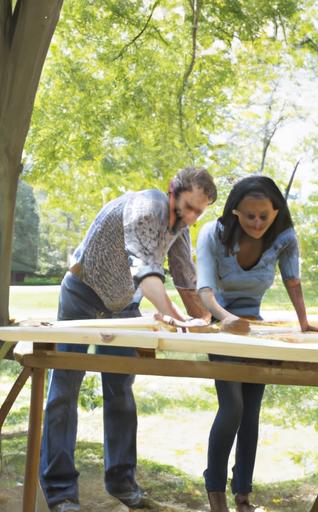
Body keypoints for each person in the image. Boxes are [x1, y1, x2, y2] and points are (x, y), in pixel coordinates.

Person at [40, 167, 217, 512]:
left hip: (124, 305)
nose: (190, 217)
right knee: (64, 389)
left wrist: (207, 320)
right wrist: (177, 319)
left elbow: (184, 277)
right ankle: (60, 492)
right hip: (82, 293)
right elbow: (146, 270)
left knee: (120, 390)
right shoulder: (146, 207)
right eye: (187, 207)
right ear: (171, 192)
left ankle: (122, 482)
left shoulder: (180, 225)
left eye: (199, 211)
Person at [196, 175, 318, 512]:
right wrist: (224, 318)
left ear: (275, 212)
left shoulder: (284, 238)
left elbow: (293, 281)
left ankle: (243, 495)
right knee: (233, 406)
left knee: (251, 411)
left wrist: (305, 323)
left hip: (254, 326)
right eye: (249, 216)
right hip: (221, 325)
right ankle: (215, 493)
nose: (256, 223)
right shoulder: (213, 233)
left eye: (264, 216)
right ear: (236, 212)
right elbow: (205, 289)